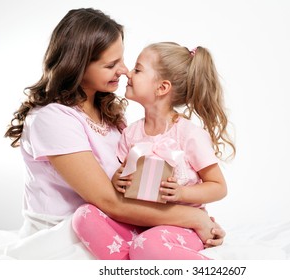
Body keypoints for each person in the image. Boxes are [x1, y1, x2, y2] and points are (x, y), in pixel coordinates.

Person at [3, 8, 224, 256]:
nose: (125, 70)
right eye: (111, 64)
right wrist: (192, 217)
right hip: (67, 232)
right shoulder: (51, 118)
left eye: (122, 59)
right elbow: (109, 201)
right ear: (77, 66)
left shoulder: (112, 115)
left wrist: (187, 214)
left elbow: (131, 188)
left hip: (120, 225)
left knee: (150, 248)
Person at [72, 42, 236, 259]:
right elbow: (122, 177)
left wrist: (182, 193)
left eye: (138, 70)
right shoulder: (131, 133)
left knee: (148, 245)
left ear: (162, 88)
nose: (128, 73)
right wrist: (118, 180)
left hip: (182, 227)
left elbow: (218, 187)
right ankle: (131, 265)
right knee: (84, 216)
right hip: (141, 222)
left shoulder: (189, 134)